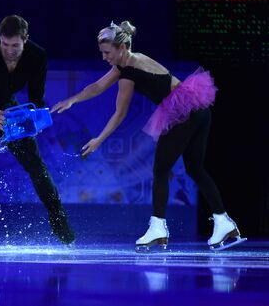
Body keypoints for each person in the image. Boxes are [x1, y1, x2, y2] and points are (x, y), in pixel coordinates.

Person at [51, 21, 245, 251]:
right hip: (199, 111)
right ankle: (223, 222)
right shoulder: (128, 63)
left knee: (161, 170)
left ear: (121, 48)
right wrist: (73, 99)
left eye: (107, 52)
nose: (104, 58)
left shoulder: (130, 71)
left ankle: (158, 227)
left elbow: (120, 112)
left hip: (186, 114)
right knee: (194, 169)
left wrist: (99, 140)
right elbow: (97, 86)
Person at [0, 14, 75, 244]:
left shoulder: (37, 55)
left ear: (26, 40)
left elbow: (36, 97)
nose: (9, 50)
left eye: (15, 45)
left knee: (34, 161)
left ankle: (58, 218)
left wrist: (36, 120)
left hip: (6, 107)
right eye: (5, 44)